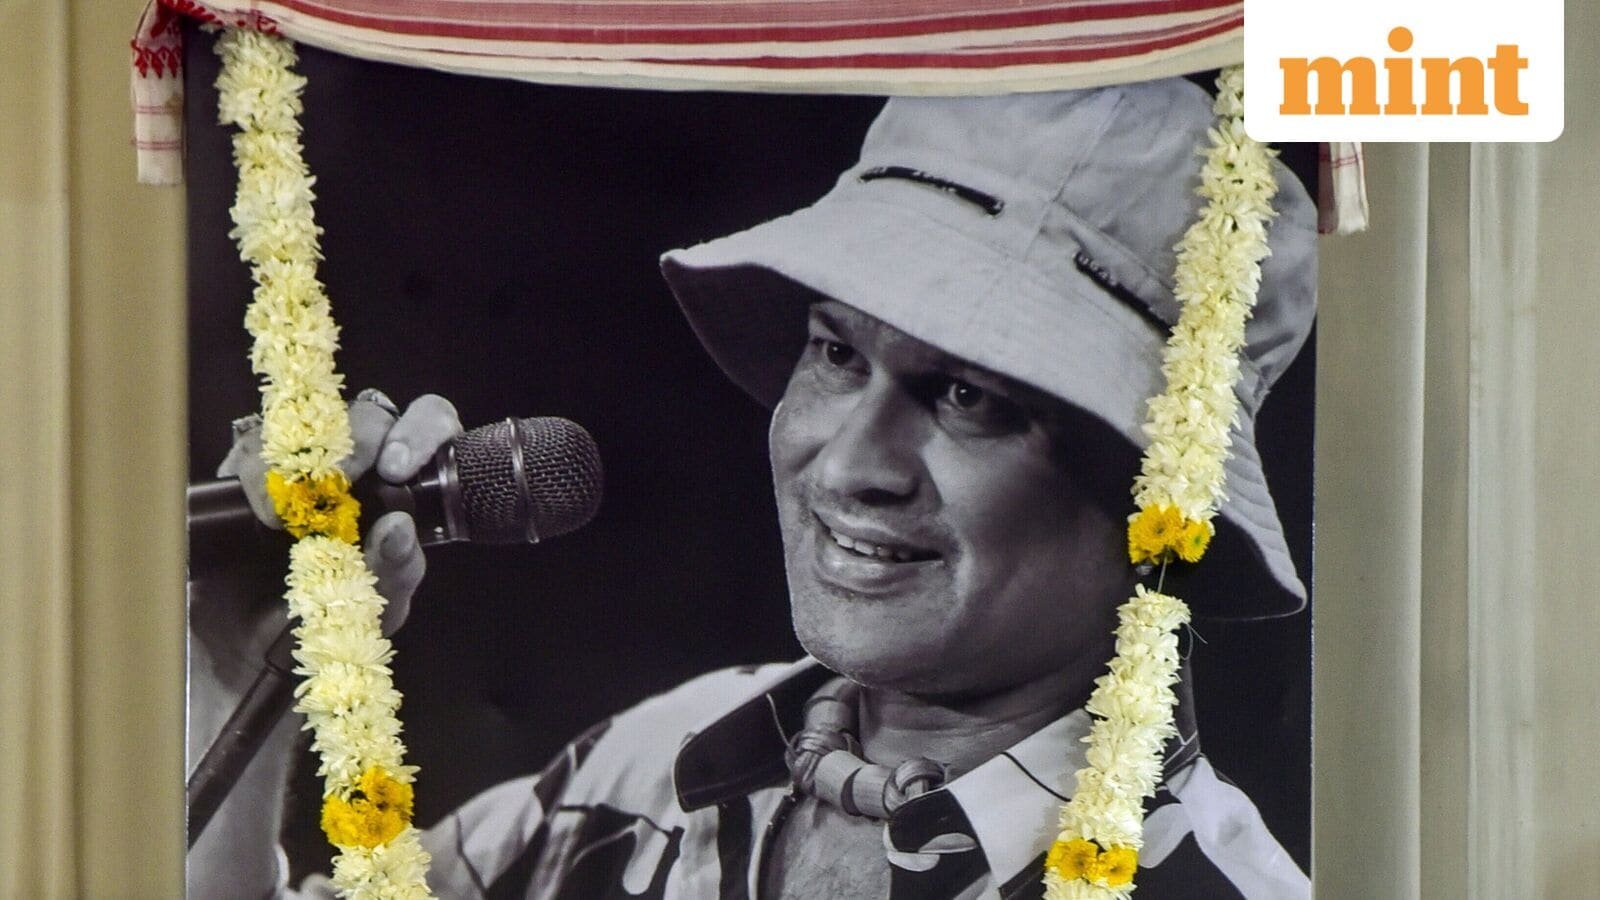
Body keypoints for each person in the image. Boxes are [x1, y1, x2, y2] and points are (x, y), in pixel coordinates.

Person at [189, 75, 1315, 899]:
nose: (851, 464)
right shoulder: (645, 771)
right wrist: (240, 668)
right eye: (836, 354)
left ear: (1157, 497)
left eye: (972, 399)